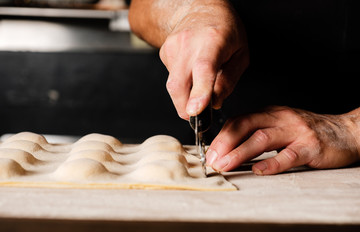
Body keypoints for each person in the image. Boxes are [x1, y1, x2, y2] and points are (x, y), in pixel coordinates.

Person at [128, 0, 360, 175]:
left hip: (346, 162)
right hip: (219, 145)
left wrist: (350, 130)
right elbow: (141, 8)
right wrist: (191, 12)